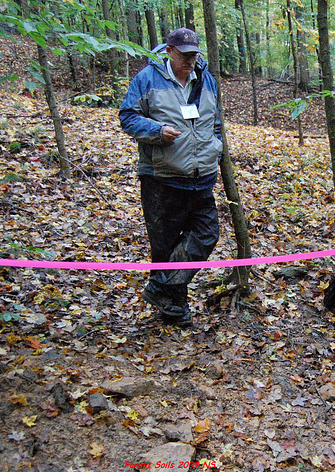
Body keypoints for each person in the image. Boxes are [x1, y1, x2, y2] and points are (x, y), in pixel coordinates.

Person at [119, 28, 223, 327]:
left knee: (206, 233)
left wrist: (213, 149)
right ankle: (174, 309)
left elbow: (214, 122)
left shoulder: (206, 79)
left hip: (200, 175)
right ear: (169, 51)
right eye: (185, 55)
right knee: (164, 246)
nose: (191, 61)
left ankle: (159, 288)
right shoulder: (147, 79)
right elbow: (127, 116)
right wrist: (155, 131)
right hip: (161, 177)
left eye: (194, 55)